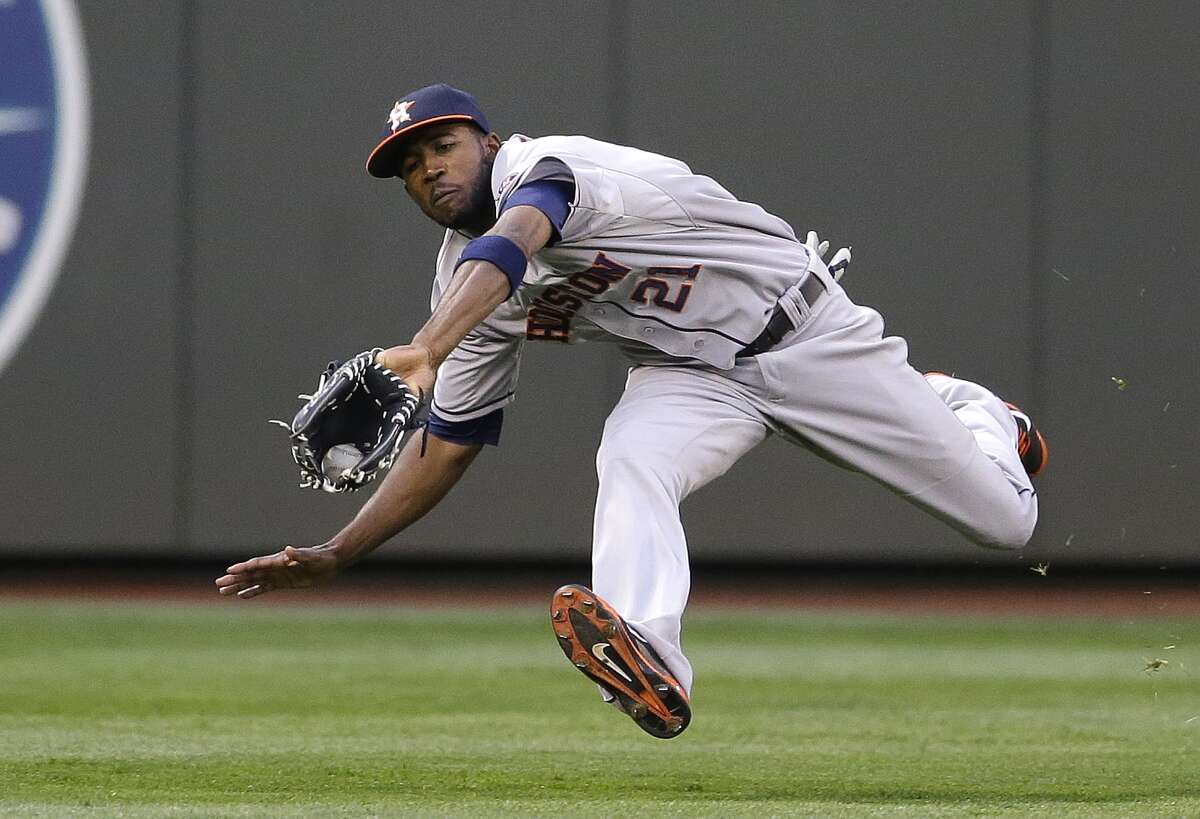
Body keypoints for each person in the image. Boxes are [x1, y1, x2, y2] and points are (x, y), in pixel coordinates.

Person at [216, 84, 1048, 738]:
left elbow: (521, 235)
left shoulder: (547, 167)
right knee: (630, 456)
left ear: (488, 142)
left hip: (805, 332)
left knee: (1004, 521)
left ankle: (967, 410)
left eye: (442, 145)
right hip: (690, 373)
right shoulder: (462, 287)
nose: (430, 168)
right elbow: (450, 441)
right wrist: (339, 549)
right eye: (410, 167)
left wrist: (426, 348)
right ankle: (651, 652)